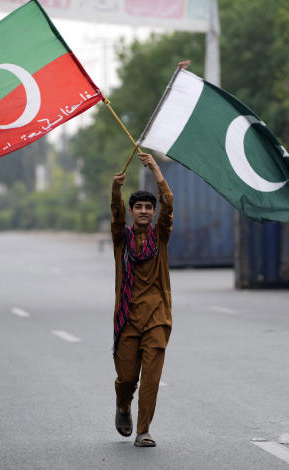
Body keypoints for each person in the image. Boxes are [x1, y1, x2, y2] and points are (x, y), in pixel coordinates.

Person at [111, 152, 173, 448]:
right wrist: (116, 190)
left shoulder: (159, 237)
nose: (145, 211)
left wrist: (155, 169)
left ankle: (143, 431)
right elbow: (114, 214)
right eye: (139, 207)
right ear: (132, 211)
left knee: (150, 379)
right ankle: (123, 406)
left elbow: (169, 204)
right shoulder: (121, 239)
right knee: (126, 379)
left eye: (149, 207)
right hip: (127, 320)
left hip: (157, 318)